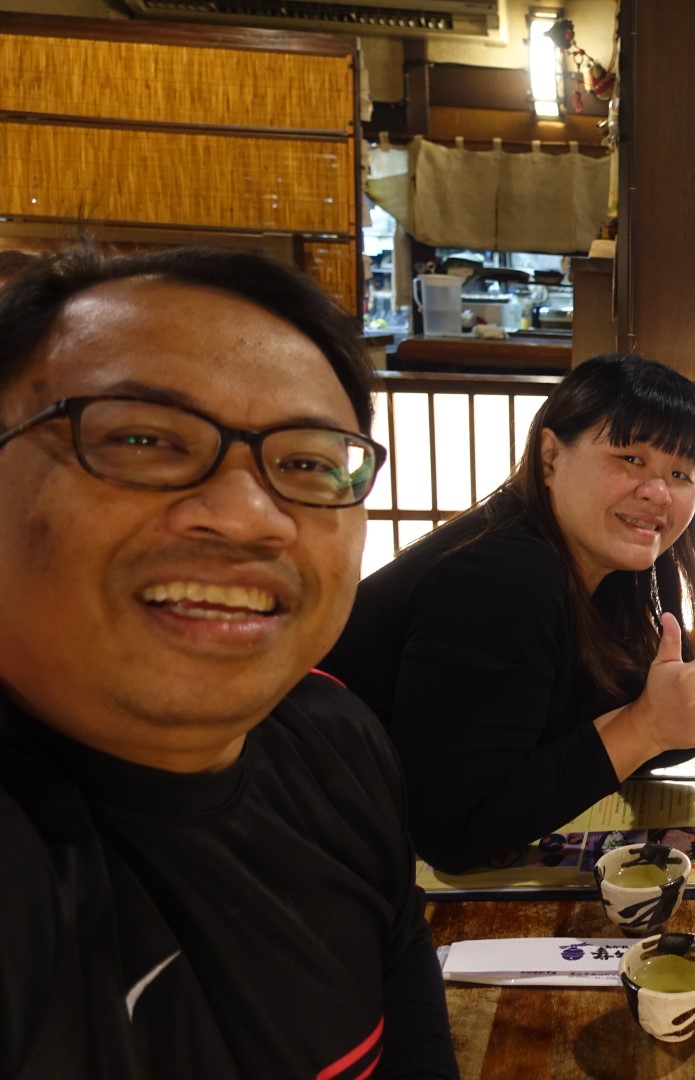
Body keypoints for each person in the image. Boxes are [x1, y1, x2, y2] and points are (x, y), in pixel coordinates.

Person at [0, 247, 454, 1076]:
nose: (251, 516)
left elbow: (407, 1001)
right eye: (142, 438)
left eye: (307, 464)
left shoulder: (335, 740)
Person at [324, 354, 695, 873]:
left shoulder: (611, 568)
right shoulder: (502, 576)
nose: (658, 492)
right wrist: (649, 725)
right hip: (312, 850)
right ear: (550, 457)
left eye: (681, 473)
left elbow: (599, 727)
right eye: (630, 458)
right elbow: (451, 833)